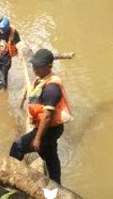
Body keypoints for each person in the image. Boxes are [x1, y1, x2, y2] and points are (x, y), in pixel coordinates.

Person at [9, 49, 72, 184]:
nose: (34, 69)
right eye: (34, 66)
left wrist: (37, 138)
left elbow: (48, 116)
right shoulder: (43, 79)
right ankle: (56, 184)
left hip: (48, 130)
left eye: (38, 67)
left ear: (49, 67)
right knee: (50, 157)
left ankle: (12, 178)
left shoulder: (52, 88)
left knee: (18, 147)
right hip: (50, 128)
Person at [0, 17, 21, 86]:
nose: (1, 32)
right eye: (0, 29)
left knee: (4, 75)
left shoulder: (13, 33)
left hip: (6, 58)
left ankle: (4, 89)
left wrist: (19, 53)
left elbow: (18, 43)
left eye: (3, 30)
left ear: (7, 29)